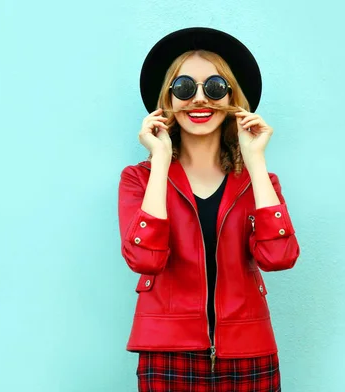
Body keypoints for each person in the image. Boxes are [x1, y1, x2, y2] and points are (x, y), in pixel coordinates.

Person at [117, 27, 301, 392]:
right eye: (184, 88)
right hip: (166, 353)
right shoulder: (138, 179)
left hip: (250, 352)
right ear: (167, 101)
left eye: (214, 87)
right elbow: (145, 259)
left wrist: (255, 160)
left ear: (233, 97)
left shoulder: (259, 181)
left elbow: (279, 257)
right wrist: (161, 159)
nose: (199, 99)